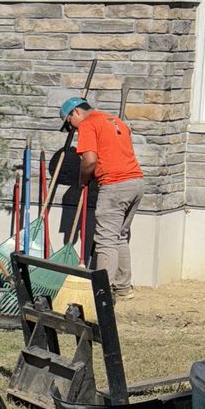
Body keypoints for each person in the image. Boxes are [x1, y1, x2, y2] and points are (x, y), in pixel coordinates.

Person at [59, 93, 144, 294]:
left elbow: (89, 160)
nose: (72, 128)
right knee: (119, 236)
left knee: (106, 240)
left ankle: (101, 293)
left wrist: (83, 180)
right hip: (136, 182)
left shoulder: (88, 124)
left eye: (70, 123)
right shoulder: (116, 121)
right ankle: (122, 287)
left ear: (75, 112)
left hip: (115, 185)